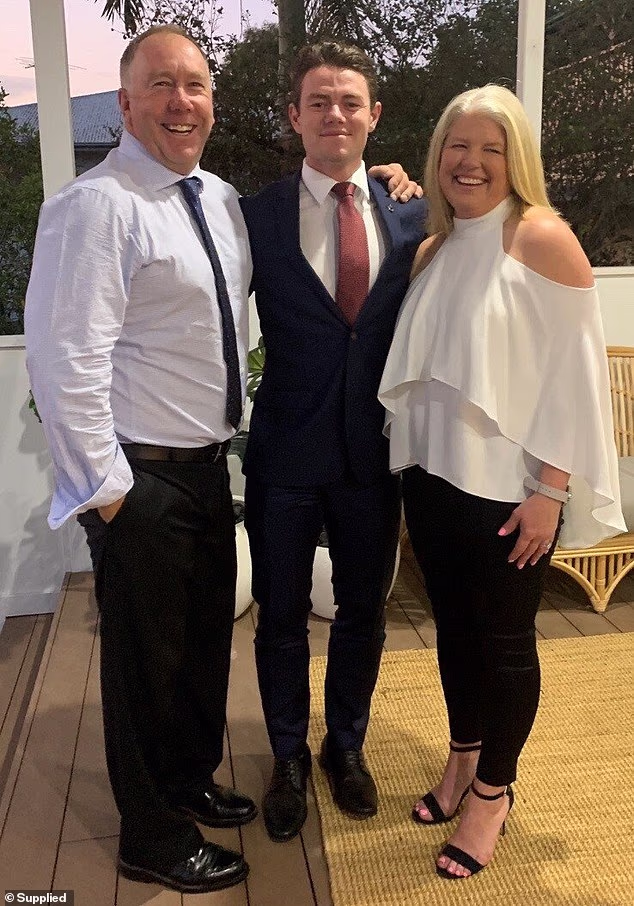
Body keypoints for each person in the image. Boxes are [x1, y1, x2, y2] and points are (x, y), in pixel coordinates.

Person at [25, 25, 258, 895]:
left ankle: (188, 780)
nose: (180, 101)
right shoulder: (97, 206)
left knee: (200, 648)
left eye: (195, 85)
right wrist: (112, 493)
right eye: (160, 85)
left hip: (205, 466)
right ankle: (152, 837)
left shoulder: (221, 200)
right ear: (125, 105)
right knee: (145, 668)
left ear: (212, 102)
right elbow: (64, 359)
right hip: (141, 477)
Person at [378, 84, 625, 880]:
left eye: (492, 148)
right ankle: (462, 759)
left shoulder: (543, 237)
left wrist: (551, 492)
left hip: (509, 491)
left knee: (507, 643)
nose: (472, 162)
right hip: (434, 479)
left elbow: (574, 378)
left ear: (516, 158)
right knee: (454, 631)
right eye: (458, 145)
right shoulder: (436, 247)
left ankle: (493, 793)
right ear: (438, 155)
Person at [240, 41, 427, 843]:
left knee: (363, 613)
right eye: (318, 102)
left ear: (373, 116)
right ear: (294, 116)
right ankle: (286, 754)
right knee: (280, 614)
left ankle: (343, 744)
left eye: (350, 102)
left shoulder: (411, 213)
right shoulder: (252, 215)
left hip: (371, 456)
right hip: (284, 452)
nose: (335, 115)